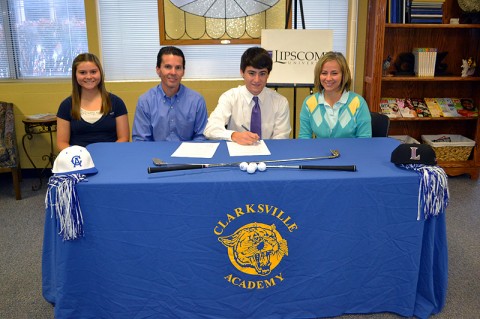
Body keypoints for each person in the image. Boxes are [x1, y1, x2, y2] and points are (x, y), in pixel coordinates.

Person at [204, 47, 291, 145]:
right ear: (242, 73)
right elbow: (210, 129)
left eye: (262, 74)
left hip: (269, 154)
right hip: (237, 154)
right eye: (251, 73)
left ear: (268, 75)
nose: (257, 80)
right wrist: (234, 135)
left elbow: (281, 139)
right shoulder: (230, 97)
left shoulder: (280, 102)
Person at [132, 46, 207, 141]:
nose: (173, 72)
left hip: (188, 154)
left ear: (183, 71)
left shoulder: (197, 101)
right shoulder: (145, 102)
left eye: (178, 68)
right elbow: (141, 140)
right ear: (158, 70)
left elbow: (201, 137)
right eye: (168, 67)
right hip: (156, 154)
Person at [56, 53, 129, 151]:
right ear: (75, 75)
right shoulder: (66, 105)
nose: (89, 76)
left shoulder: (116, 103)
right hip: (78, 161)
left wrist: (108, 153)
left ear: (100, 73)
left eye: (93, 72)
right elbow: (62, 142)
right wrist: (80, 156)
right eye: (82, 72)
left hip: (111, 157)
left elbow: (123, 138)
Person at [299, 51, 371, 139]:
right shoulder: (309, 103)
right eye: (324, 73)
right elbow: (304, 137)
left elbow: (364, 140)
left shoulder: (358, 103)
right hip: (320, 152)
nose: (328, 78)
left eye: (334, 73)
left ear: (344, 75)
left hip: (352, 152)